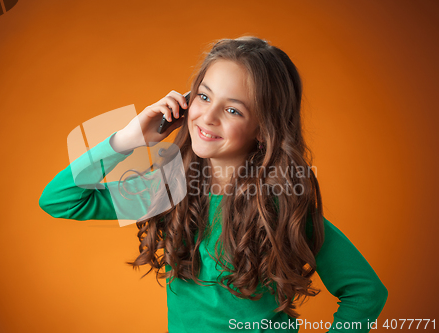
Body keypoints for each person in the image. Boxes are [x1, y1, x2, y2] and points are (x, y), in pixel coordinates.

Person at [39, 36, 388, 332]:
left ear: (264, 130)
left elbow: (366, 293)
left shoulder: (283, 209)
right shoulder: (165, 192)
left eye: (233, 110)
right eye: (204, 97)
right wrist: (127, 139)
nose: (207, 116)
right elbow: (61, 199)